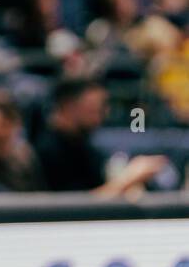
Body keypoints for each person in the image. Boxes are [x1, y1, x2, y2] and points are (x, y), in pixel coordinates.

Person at [32, 78, 168, 196]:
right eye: (93, 110)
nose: (100, 116)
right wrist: (129, 178)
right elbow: (74, 207)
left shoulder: (83, 144)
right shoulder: (47, 150)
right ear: (68, 106)